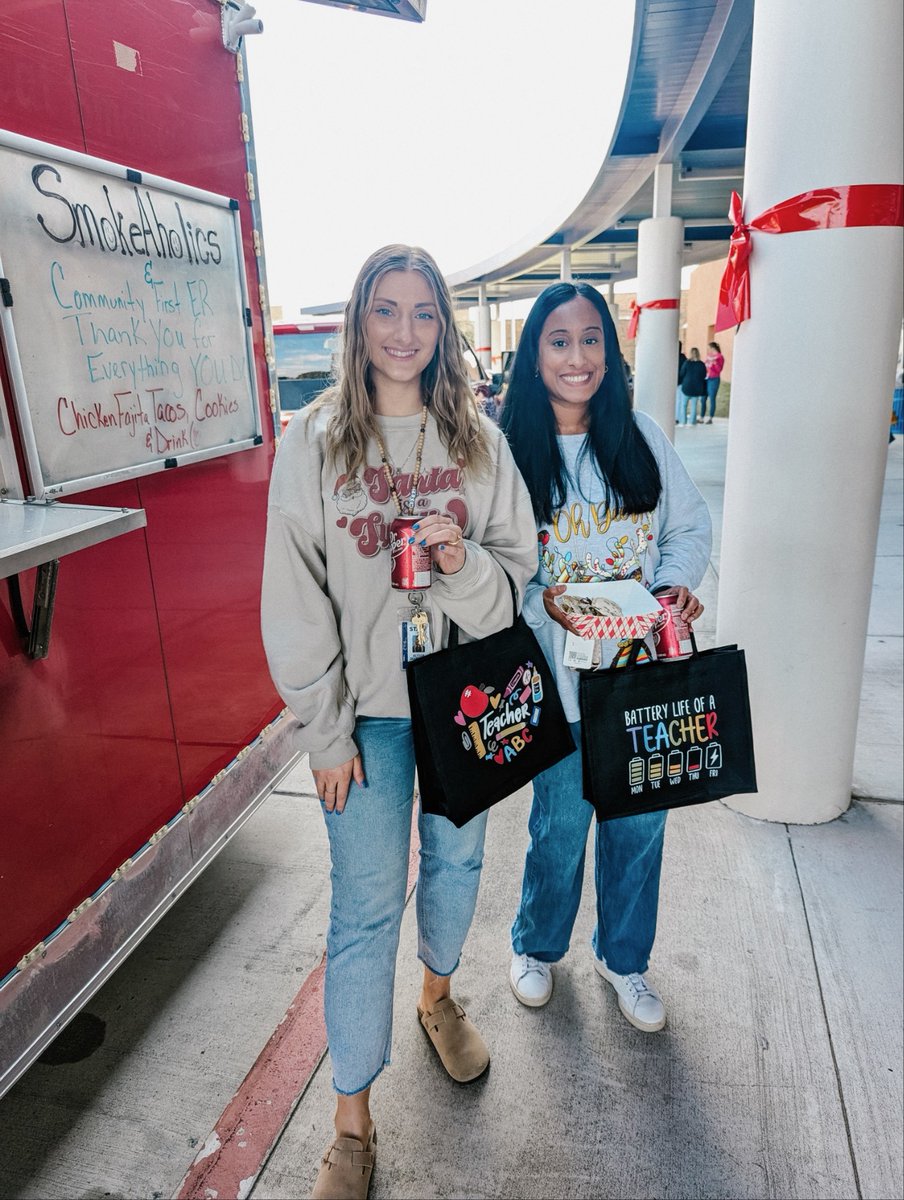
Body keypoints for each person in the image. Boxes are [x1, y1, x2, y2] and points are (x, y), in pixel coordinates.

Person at [261, 244, 537, 1200]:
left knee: (458, 869)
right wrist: (324, 732)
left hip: (463, 705)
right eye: (388, 310)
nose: (406, 333)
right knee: (365, 908)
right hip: (369, 723)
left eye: (425, 314)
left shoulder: (479, 443)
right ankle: (351, 1120)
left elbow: (512, 591)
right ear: (359, 320)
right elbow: (293, 599)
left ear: (445, 328)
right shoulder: (317, 440)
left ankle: (437, 996)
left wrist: (460, 562)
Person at [499, 282, 712, 1032]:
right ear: (533, 357)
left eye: (591, 339)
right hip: (559, 686)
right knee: (558, 827)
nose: (576, 356)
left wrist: (675, 586)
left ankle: (624, 960)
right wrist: (545, 601)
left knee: (638, 828)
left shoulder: (642, 438)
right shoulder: (509, 451)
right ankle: (535, 946)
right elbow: (496, 565)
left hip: (640, 682)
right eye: (558, 341)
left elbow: (687, 529)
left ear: (610, 351)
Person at [678, 347, 708, 425]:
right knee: (694, 406)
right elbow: (704, 375)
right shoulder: (701, 364)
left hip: (686, 387)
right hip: (697, 388)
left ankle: (683, 421)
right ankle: (691, 422)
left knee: (684, 405)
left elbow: (681, 373)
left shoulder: (687, 363)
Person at [703, 341, 725, 424]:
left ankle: (710, 417)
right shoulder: (709, 356)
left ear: (713, 348)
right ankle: (702, 416)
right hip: (706, 378)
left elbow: (719, 369)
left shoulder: (719, 357)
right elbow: (705, 365)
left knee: (712, 398)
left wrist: (713, 364)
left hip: (714, 378)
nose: (708, 350)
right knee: (703, 398)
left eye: (709, 348)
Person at [675, 342, 688, 424]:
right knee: (679, 400)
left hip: (674, 381)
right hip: (680, 381)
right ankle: (678, 417)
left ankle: (676, 417)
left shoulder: (670, 356)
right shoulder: (683, 358)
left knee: (677, 400)